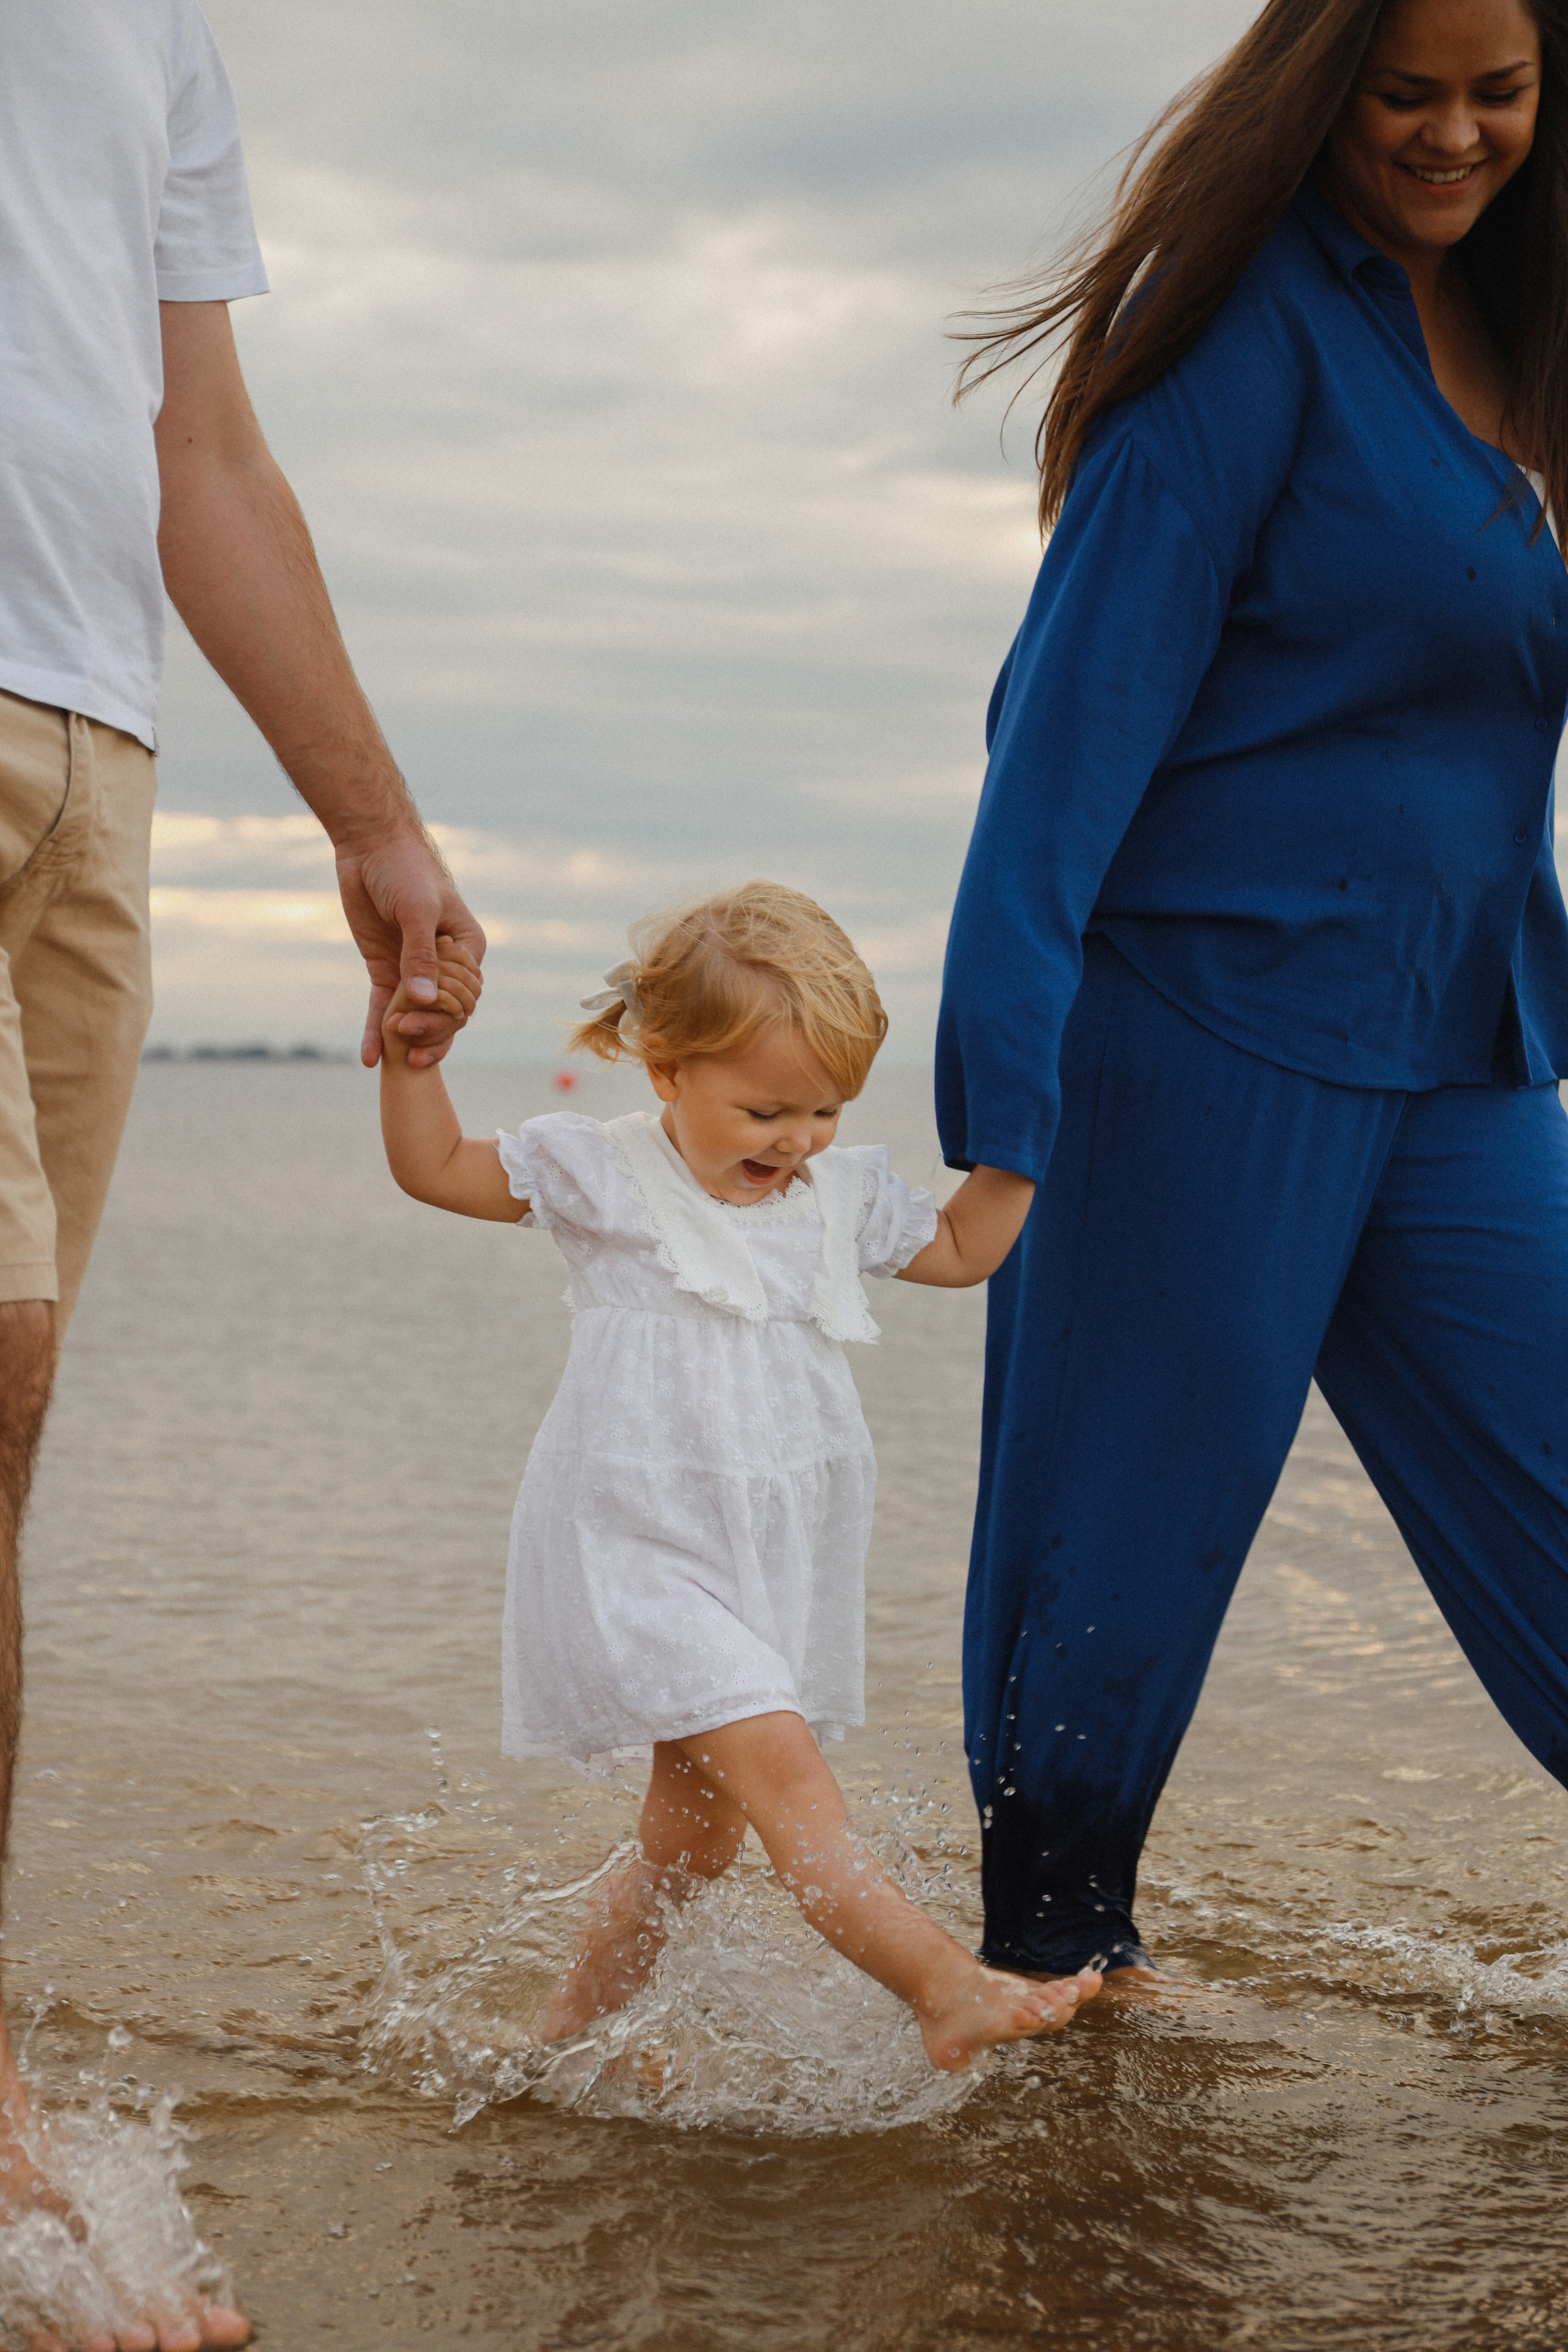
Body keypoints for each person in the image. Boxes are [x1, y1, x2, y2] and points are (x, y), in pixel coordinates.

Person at [936, 0, 1568, 1992]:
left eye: (1500, 92)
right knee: (1107, 1621)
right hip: (1192, 1043)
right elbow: (1060, 735)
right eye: (1408, 91)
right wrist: (1001, 1121)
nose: (1454, 134)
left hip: (1461, 1054)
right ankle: (1041, 2074)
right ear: (1322, 89)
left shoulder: (1531, 352)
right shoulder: (1244, 338)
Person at [0, 5, 483, 2342]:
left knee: (8, 1456)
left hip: (96, 752)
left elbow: (202, 438)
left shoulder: (159, 30)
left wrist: (370, 816)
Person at [377, 885, 1102, 2068]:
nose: (796, 1139)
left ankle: (557, 2044)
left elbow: (968, 1250)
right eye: (765, 1109)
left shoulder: (839, 1198)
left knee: (692, 1846)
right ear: (666, 1068)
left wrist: (1023, 1134)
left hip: (767, 1559)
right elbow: (438, 1170)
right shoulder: (603, 1177)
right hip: (639, 1549)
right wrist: (416, 1062)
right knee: (794, 1786)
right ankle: (940, 1985)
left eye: (823, 1109)